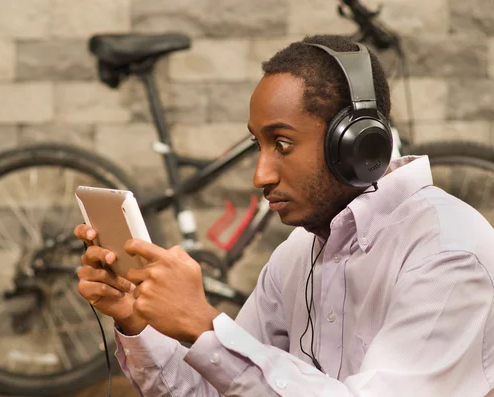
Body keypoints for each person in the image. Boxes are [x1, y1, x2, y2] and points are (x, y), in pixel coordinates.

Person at [74, 34, 494, 396]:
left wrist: (205, 326)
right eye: (258, 144)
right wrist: (134, 318)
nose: (260, 174)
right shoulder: (297, 255)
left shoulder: (448, 253)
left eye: (283, 143)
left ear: (357, 145)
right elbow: (220, 387)